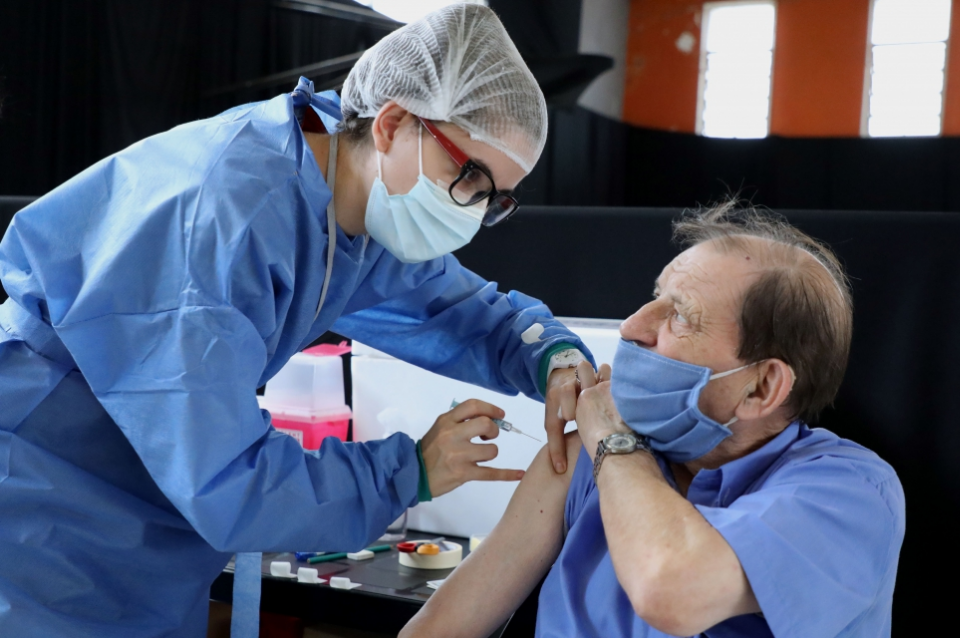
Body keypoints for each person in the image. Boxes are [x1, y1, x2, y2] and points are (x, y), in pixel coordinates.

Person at [0, 6, 593, 637]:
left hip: (143, 535)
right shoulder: (224, 223)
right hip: (46, 516)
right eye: (469, 177)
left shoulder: (350, 213)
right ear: (393, 123)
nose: (472, 211)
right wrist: (410, 471)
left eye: (494, 198)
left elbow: (464, 314)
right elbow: (225, 481)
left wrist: (553, 356)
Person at [402, 204, 906, 638]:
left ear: (760, 388)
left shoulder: (850, 493)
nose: (631, 326)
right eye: (655, 296)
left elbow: (670, 589)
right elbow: (437, 630)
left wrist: (613, 440)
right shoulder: (581, 460)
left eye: (680, 315)